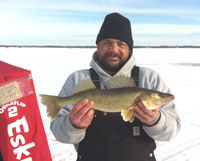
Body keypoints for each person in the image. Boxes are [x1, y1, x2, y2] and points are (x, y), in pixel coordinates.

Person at [50, 13, 181, 161]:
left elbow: (173, 131)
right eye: (107, 43)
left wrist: (155, 121)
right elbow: (59, 133)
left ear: (129, 49)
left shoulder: (149, 79)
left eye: (121, 44)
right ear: (98, 46)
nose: (114, 49)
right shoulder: (78, 79)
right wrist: (73, 125)